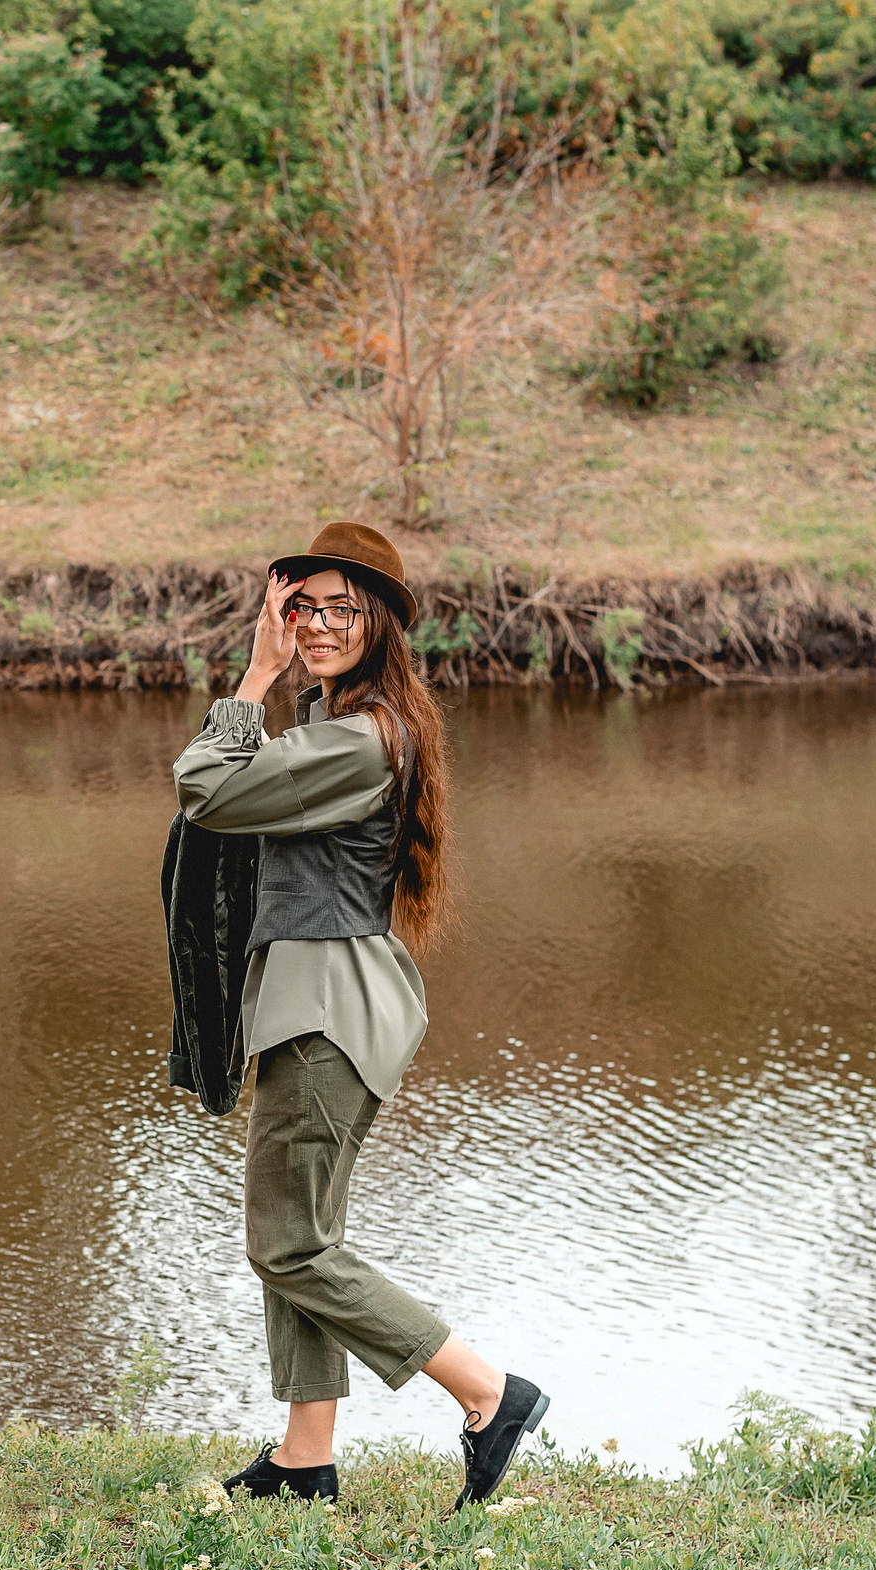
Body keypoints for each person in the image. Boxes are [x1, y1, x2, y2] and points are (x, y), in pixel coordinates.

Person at [174, 521, 548, 1510]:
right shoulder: (351, 719)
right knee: (299, 1233)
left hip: (325, 1011)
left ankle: (487, 1392)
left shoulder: (359, 737)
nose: (322, 624)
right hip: (319, 1003)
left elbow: (205, 790)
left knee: (289, 1243)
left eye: (343, 607)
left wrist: (250, 680)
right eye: (303, 607)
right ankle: (304, 1458)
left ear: (379, 622)